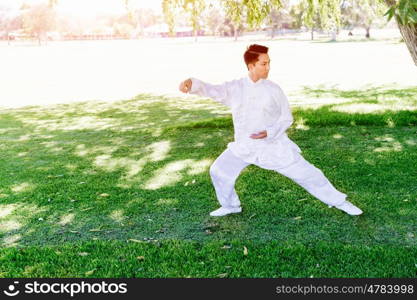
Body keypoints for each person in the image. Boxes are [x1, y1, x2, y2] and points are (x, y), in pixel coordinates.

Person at [179, 44, 363, 217]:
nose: (268, 67)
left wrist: (269, 132)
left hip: (273, 146)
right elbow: (212, 90)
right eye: (263, 64)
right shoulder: (235, 88)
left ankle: (340, 202)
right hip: (244, 146)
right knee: (219, 170)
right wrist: (192, 83)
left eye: (269, 63)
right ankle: (230, 206)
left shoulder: (274, 90)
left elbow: (286, 118)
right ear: (251, 66)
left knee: (309, 174)